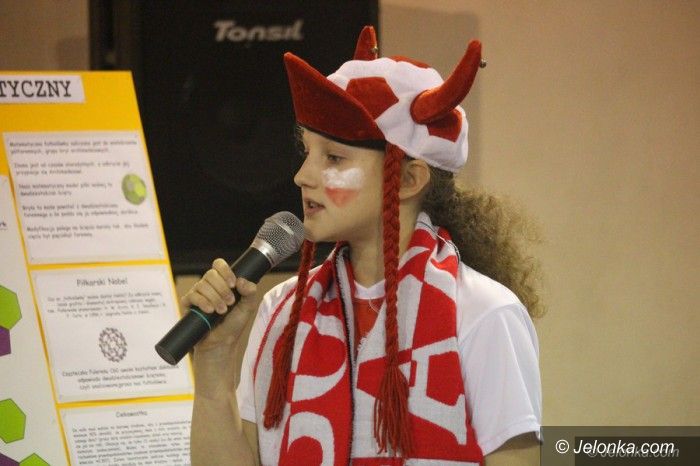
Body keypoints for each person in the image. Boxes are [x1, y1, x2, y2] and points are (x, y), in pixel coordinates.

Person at [185, 26, 543, 465]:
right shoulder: (281, 311)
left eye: (334, 158)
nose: (302, 176)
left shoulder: (485, 314)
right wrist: (213, 369)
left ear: (408, 179)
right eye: (307, 153)